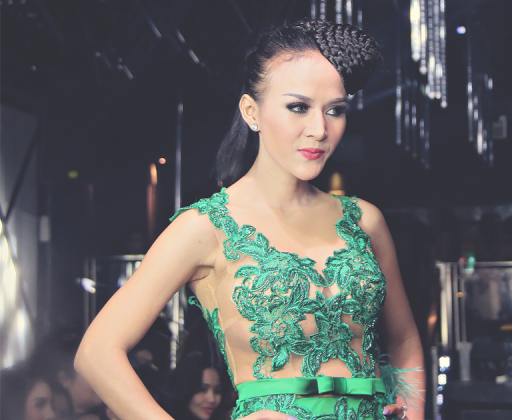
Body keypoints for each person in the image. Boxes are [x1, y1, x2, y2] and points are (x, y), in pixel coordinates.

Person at [75, 18, 425, 420]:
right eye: (298, 107)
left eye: (335, 110)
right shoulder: (206, 226)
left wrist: (413, 411)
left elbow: (404, 340)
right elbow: (97, 353)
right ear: (251, 111)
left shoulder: (364, 221)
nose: (319, 129)